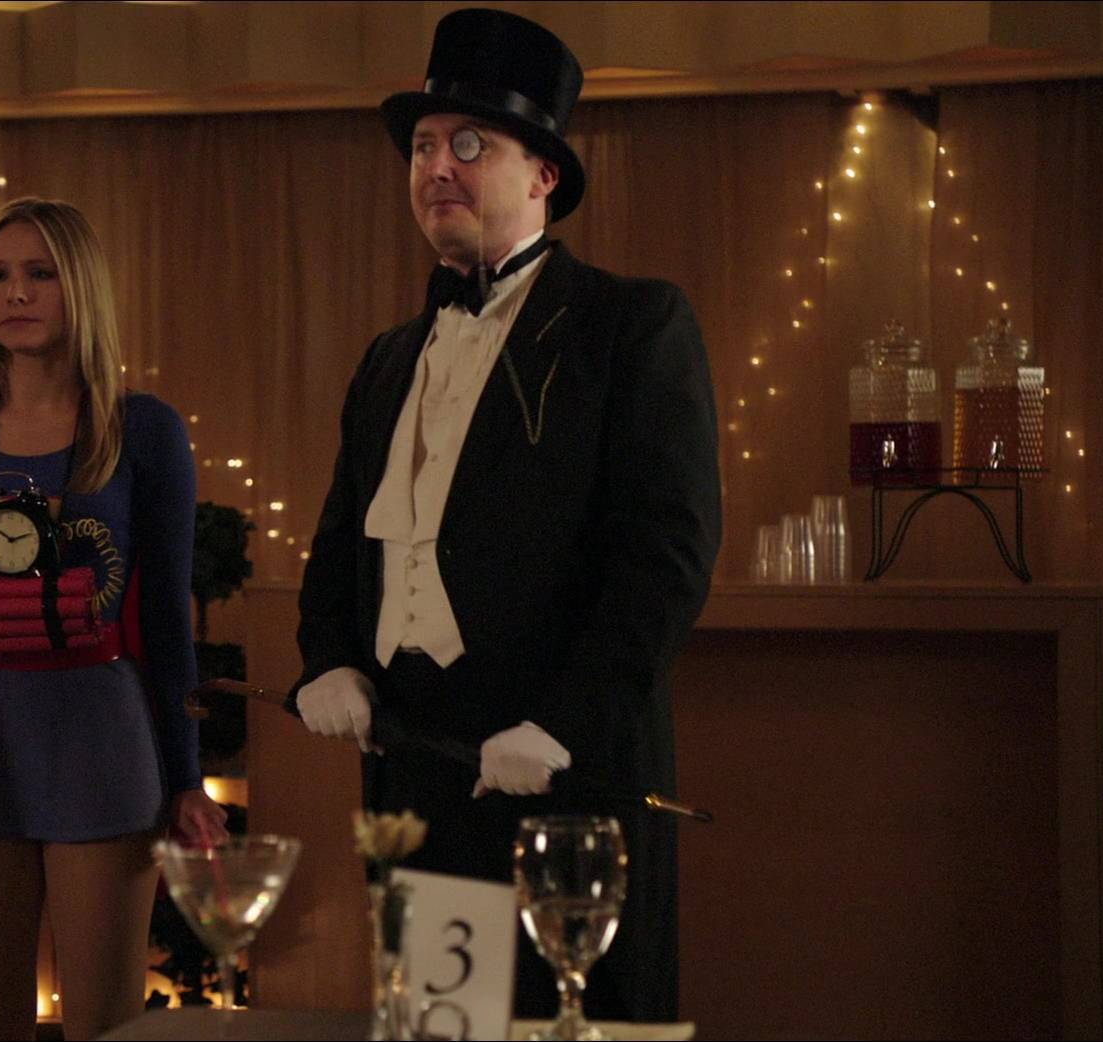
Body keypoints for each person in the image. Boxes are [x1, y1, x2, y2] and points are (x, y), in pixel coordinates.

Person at [291, 8, 721, 1023]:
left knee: (570, 1026)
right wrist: (328, 657)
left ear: (543, 176)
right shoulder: (387, 358)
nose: (438, 166)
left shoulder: (631, 324)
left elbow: (665, 559)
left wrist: (561, 726)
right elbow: (339, 545)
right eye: (423, 146)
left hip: (563, 784)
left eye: (470, 143)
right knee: (441, 1026)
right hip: (413, 781)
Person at [0, 197, 227, 1041]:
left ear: (81, 288)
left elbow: (167, 620)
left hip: (101, 734)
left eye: (39, 273)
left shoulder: (144, 429)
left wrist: (186, 776)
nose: (16, 293)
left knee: (105, 1025)